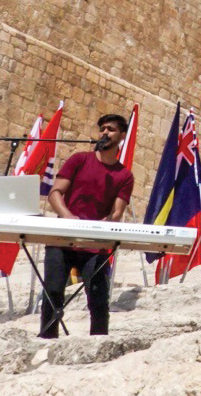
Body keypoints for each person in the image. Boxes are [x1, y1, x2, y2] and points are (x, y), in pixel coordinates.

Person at [39, 112, 134, 339]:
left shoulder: (124, 175)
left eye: (110, 129)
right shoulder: (79, 160)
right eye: (102, 128)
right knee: (52, 291)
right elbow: (55, 193)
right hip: (62, 238)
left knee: (98, 297)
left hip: (94, 244)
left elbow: (117, 212)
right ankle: (47, 339)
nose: (104, 132)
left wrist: (100, 225)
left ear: (122, 136)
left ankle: (98, 342)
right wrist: (68, 216)